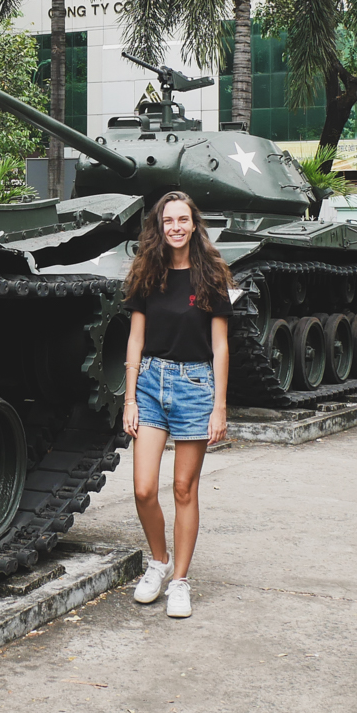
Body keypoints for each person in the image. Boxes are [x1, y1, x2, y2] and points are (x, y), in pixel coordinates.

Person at [121, 190, 231, 619]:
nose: (176, 228)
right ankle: (159, 561)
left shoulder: (212, 277)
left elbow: (220, 348)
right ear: (159, 226)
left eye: (183, 220)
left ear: (194, 224)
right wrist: (129, 397)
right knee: (144, 488)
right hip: (149, 383)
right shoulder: (147, 273)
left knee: (184, 489)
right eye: (168, 221)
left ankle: (180, 581)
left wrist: (219, 406)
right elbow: (134, 338)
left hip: (195, 385)